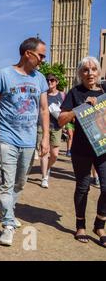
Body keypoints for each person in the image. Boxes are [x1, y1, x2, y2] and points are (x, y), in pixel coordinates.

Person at [0, 37, 50, 246]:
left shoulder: (40, 79)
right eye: (41, 55)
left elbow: (44, 109)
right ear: (28, 53)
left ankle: (7, 210)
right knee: (6, 183)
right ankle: (8, 223)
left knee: (20, 182)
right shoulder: (4, 75)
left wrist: (44, 138)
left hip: (28, 140)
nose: (43, 59)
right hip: (6, 137)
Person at [58, 56, 106, 248]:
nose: (90, 73)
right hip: (81, 149)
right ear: (80, 74)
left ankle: (100, 224)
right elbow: (61, 119)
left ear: (99, 72)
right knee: (83, 187)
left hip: (103, 148)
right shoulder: (75, 93)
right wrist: (82, 107)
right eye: (85, 70)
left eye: (93, 69)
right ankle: (81, 225)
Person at [37, 73, 65, 189]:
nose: (49, 82)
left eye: (52, 80)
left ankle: (48, 168)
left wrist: (65, 124)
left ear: (57, 82)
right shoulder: (42, 94)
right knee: (44, 152)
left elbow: (66, 111)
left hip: (57, 127)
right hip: (43, 126)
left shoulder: (63, 95)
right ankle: (44, 177)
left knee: (54, 155)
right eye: (48, 80)